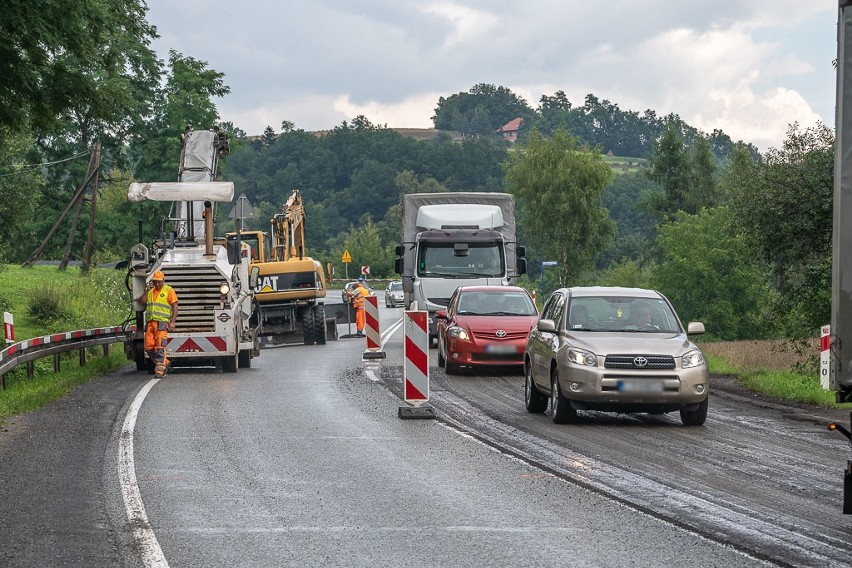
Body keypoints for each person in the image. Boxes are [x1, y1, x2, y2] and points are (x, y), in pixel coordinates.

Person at [136, 271, 178, 377]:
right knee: (148, 347)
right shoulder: (150, 291)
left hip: (162, 323)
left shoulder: (169, 290)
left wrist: (172, 321)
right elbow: (141, 301)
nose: (157, 284)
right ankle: (165, 363)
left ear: (163, 281)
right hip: (150, 323)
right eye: (155, 282)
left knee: (160, 347)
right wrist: (147, 290)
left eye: (159, 282)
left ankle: (159, 371)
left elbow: (175, 306)